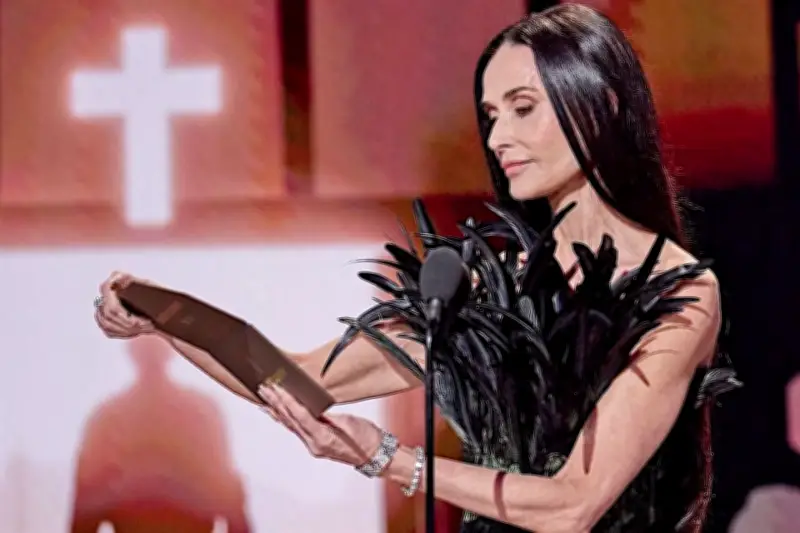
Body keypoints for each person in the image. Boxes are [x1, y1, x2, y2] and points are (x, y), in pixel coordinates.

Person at [94, 4, 737, 532]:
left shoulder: (679, 294)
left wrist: (386, 459)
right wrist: (165, 316)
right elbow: (301, 379)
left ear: (602, 104)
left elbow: (574, 504)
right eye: (490, 116)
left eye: (522, 108)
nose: (497, 139)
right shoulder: (486, 286)